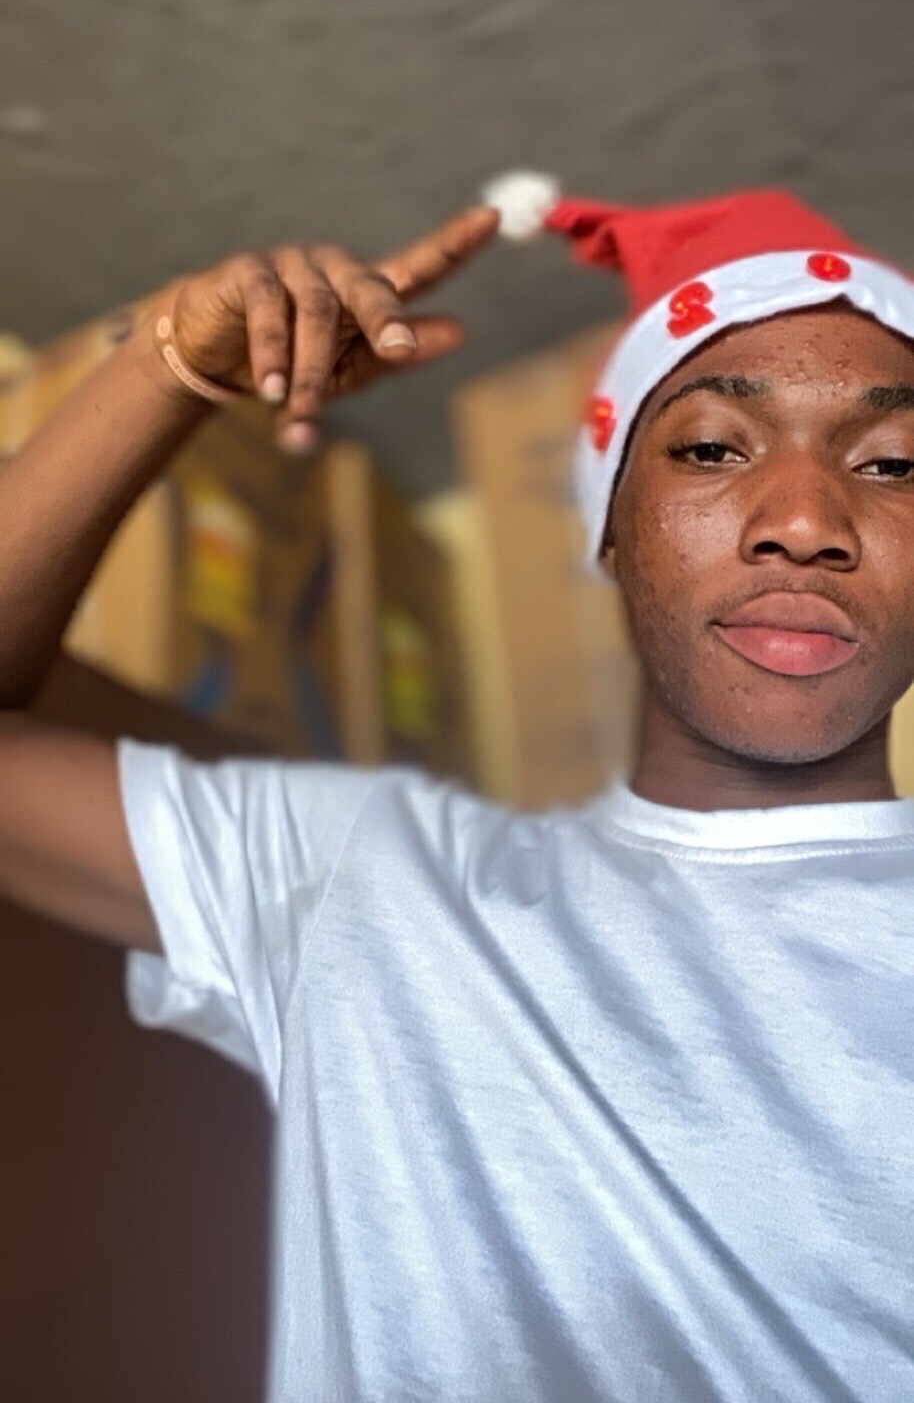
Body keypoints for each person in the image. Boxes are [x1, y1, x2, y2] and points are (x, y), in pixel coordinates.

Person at [1, 176, 912, 1403]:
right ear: (611, 526)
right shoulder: (361, 879)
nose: (802, 520)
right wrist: (167, 371)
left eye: (893, 464)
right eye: (708, 447)